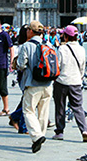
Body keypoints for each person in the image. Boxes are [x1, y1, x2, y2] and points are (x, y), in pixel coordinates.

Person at [16, 20, 54, 153]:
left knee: (28, 111)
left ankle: (37, 136)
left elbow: (21, 65)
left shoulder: (26, 45)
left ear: (31, 31)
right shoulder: (49, 44)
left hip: (33, 84)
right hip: (48, 83)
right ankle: (40, 136)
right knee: (43, 111)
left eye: (27, 30)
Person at [52, 26, 87, 142]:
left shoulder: (62, 49)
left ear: (66, 36)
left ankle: (59, 132)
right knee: (78, 107)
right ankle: (84, 130)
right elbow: (83, 67)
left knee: (60, 106)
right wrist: (79, 77)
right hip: (76, 82)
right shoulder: (82, 49)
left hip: (62, 81)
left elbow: (58, 65)